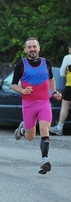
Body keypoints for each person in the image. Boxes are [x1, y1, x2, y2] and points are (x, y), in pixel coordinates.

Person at [12, 37, 62, 175]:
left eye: (34, 46)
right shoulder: (20, 65)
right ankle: (22, 131)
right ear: (25, 50)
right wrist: (22, 90)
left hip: (44, 102)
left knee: (45, 130)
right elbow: (13, 84)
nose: (32, 49)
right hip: (28, 104)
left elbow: (51, 78)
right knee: (30, 137)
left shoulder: (47, 63)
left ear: (39, 48)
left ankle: (45, 160)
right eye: (29, 47)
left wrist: (55, 92)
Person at [50, 42, 71, 135]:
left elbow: (62, 73)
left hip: (70, 85)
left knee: (65, 105)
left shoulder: (68, 58)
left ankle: (59, 127)